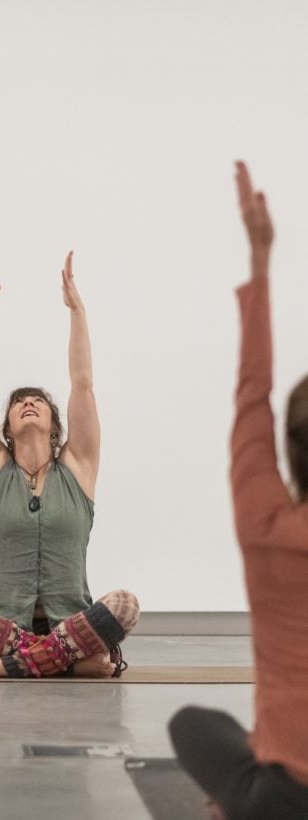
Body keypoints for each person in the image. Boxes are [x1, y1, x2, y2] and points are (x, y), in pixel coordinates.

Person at [168, 163, 308, 819]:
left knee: (194, 724)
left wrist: (260, 259)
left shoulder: (263, 523)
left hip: (285, 797)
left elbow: (251, 390)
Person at [0, 251, 139, 678]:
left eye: (39, 401)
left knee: (124, 604)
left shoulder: (78, 467)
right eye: (19, 403)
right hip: (7, 626)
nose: (28, 402)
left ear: (54, 423)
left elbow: (83, 383)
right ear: (6, 427)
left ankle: (6, 668)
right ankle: (69, 662)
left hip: (71, 622)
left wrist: (77, 310)